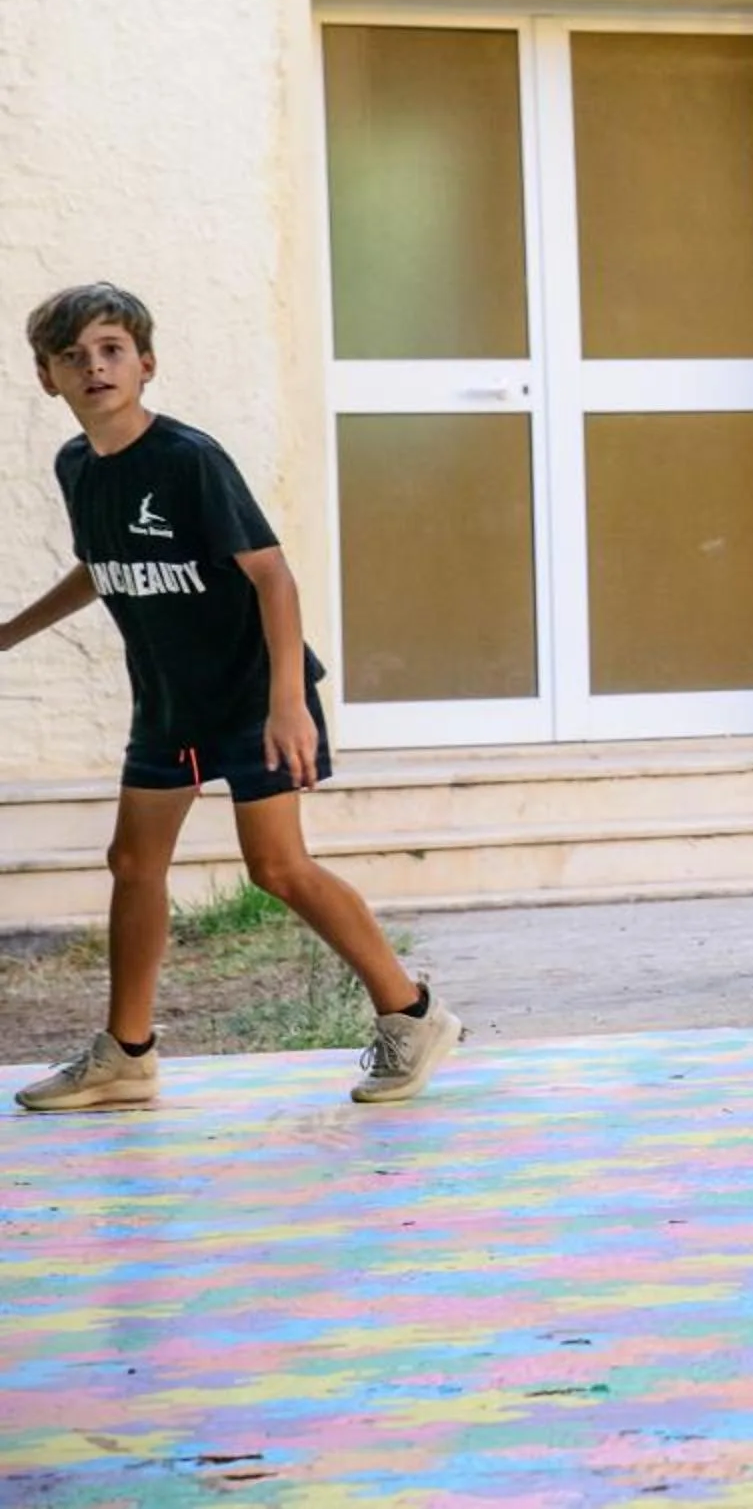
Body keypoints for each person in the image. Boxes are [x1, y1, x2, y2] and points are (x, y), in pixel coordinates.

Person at [6, 284, 461, 1111]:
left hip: (254, 696)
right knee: (133, 864)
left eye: (111, 350)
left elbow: (272, 575)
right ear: (47, 378)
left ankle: (413, 1013)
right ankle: (127, 1056)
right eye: (72, 357)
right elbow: (101, 565)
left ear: (146, 363)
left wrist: (288, 704)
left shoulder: (189, 460)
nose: (94, 367)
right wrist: (8, 634)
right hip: (169, 704)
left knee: (277, 867)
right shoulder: (77, 466)